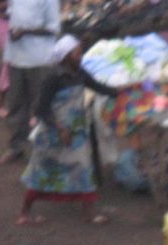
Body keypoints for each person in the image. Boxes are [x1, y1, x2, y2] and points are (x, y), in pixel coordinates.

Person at [18, 43, 120, 226]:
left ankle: (88, 212)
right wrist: (60, 128)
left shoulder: (79, 74)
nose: (80, 57)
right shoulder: (53, 78)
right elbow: (41, 109)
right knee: (42, 171)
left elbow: (99, 87)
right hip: (53, 133)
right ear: (66, 57)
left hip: (76, 132)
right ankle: (25, 211)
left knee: (82, 167)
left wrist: (122, 92)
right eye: (77, 54)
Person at [1, 0, 61, 160]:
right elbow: (12, 11)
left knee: (41, 104)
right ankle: (16, 146)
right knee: (16, 103)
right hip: (16, 56)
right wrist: (3, 17)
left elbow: (53, 28)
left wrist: (26, 31)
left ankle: (45, 148)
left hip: (39, 58)